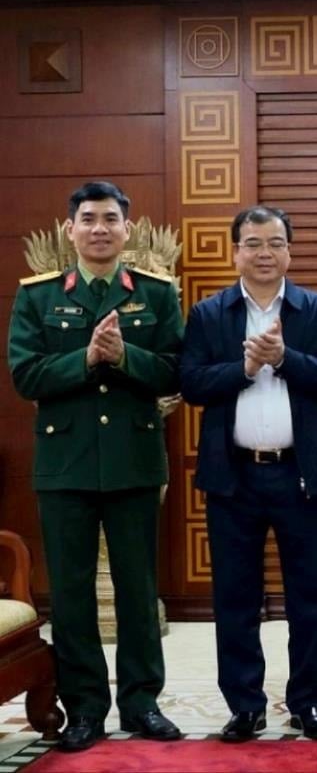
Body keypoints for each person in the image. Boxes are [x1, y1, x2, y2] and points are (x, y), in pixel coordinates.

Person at [7, 181, 184, 752]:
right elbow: (25, 376)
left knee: (137, 588)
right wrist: (85, 358)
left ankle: (141, 703)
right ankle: (83, 708)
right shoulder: (37, 296)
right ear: (71, 230)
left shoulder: (157, 294)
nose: (100, 228)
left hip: (133, 463)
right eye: (88, 219)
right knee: (73, 592)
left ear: (127, 229)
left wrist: (125, 355)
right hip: (65, 466)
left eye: (111, 218)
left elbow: (176, 372)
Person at [179, 206, 317, 742]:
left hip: (303, 475)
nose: (264, 253)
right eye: (253, 244)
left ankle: (307, 702)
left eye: (274, 243)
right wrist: (247, 369)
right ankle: (245, 706)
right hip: (235, 477)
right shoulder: (210, 314)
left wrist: (286, 358)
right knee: (234, 595)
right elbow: (192, 383)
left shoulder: (316, 309)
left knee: (310, 595)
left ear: (290, 251)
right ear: (236, 252)